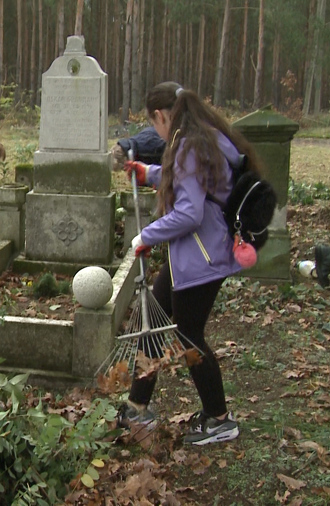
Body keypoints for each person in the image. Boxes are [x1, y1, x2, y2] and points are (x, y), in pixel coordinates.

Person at [118, 81, 262, 446]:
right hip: (195, 253)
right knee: (155, 320)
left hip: (202, 255)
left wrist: (146, 236)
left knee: (188, 336)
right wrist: (148, 173)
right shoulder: (200, 137)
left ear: (161, 115)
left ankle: (219, 419)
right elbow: (190, 181)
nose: (157, 131)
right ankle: (137, 407)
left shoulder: (189, 144)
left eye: (154, 124)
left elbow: (189, 212)